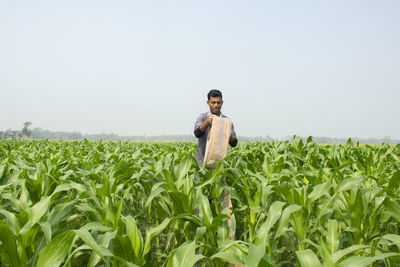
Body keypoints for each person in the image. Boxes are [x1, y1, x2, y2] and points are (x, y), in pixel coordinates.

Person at [194, 89, 238, 165]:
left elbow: (234, 143)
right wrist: (207, 123)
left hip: (218, 164)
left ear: (222, 103)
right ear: (208, 103)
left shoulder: (226, 121)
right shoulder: (203, 117)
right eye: (213, 102)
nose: (216, 105)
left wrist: (226, 131)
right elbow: (197, 134)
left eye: (218, 103)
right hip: (202, 162)